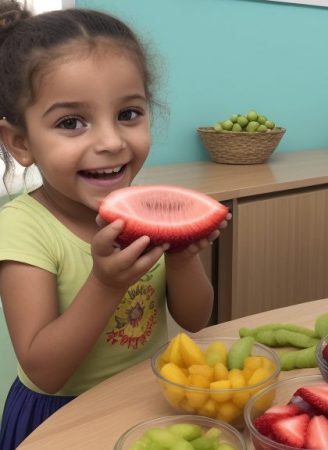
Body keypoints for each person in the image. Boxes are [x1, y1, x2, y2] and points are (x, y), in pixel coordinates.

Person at [0, 4, 222, 446]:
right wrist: (105, 283)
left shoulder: (147, 211)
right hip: (61, 414)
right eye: (71, 122)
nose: (111, 141)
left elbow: (196, 319)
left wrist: (181, 259)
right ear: (20, 142)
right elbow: (44, 370)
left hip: (144, 396)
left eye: (129, 114)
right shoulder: (21, 229)